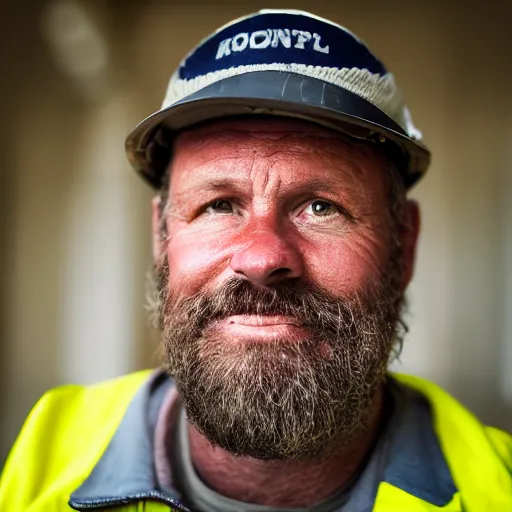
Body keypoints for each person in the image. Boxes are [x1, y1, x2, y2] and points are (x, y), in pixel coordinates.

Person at [1, 9, 511, 512]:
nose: (263, 256)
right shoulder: (42, 460)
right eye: (219, 205)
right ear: (161, 237)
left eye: (321, 206)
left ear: (405, 244)